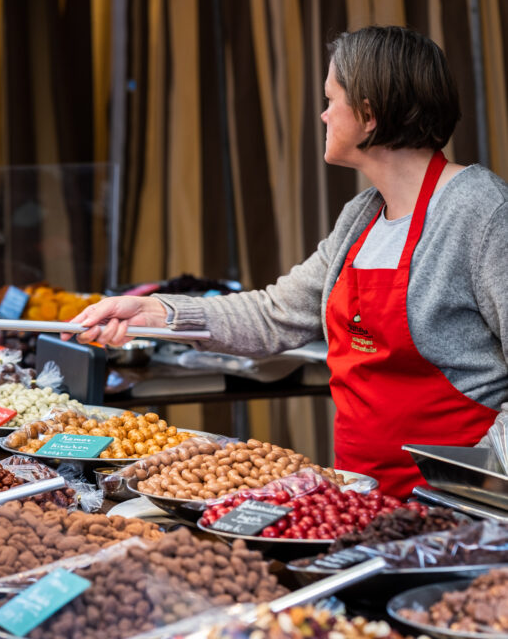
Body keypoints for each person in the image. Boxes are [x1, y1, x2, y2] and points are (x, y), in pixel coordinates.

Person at [66, 26, 508, 497]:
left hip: (459, 507)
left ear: (368, 114)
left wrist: (479, 485)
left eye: (330, 98)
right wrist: (157, 312)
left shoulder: (481, 212)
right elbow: (274, 315)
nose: (322, 114)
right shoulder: (361, 217)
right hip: (361, 494)